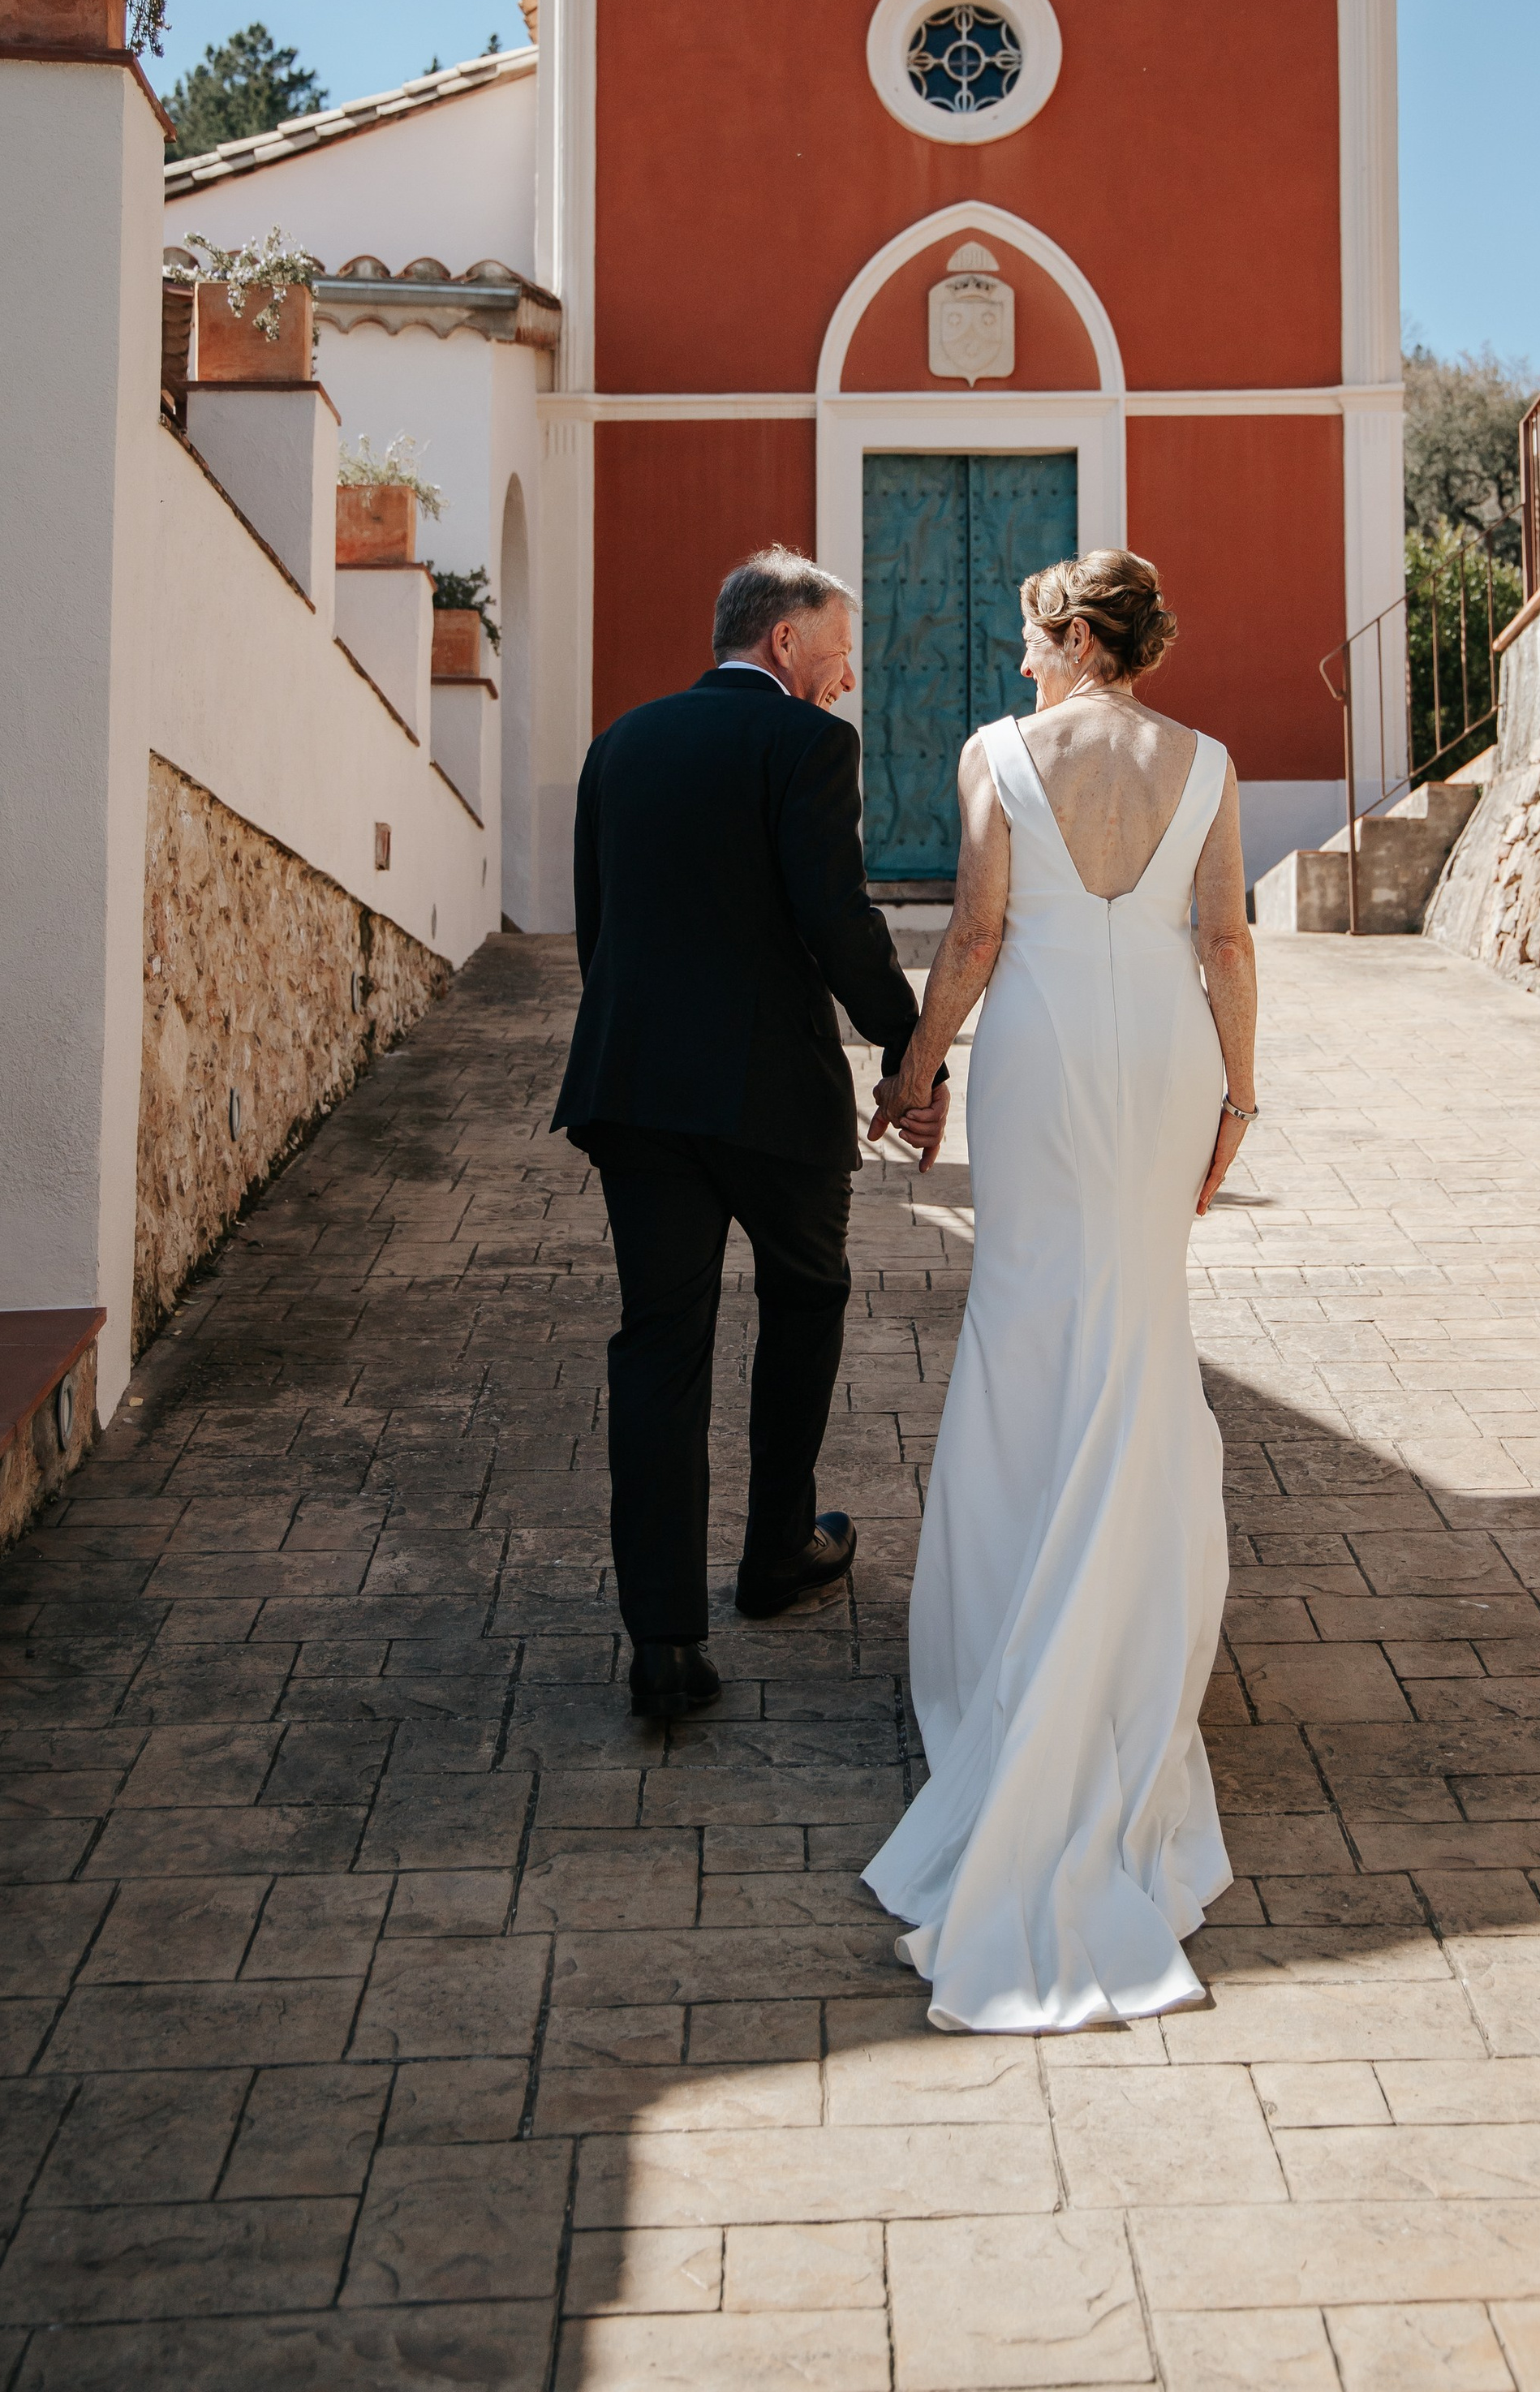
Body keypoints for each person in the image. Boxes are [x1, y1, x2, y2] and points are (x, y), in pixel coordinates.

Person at [860, 548, 1257, 2031]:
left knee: (1028, 1320)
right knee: (1138, 1321)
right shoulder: (1208, 762)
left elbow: (974, 934)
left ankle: (1022, 1635)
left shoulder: (998, 754)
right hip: (1165, 1058)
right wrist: (1240, 1100)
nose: (1020, 660)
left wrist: (913, 1073)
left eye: (1033, 639)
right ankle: (1125, 1639)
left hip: (1038, 1058)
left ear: (1079, 635)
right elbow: (1225, 941)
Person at [554, 547, 949, 1714]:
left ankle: (664, 1646)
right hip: (775, 1099)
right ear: (786, 640)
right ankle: (777, 1550)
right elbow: (837, 919)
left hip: (635, 1094)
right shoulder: (807, 743)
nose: (847, 678)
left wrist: (640, 1050)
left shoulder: (618, 745)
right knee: (806, 1301)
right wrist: (911, 1054)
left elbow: (598, 934)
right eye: (839, 651)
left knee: (659, 1347)